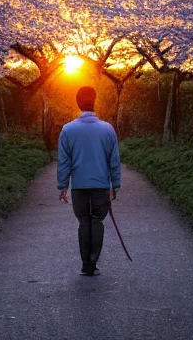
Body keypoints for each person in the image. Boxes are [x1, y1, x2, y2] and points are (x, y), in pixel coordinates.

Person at [57, 86, 121, 276]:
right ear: (94, 102)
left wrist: (63, 186)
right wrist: (115, 185)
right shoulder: (107, 129)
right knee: (97, 222)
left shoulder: (67, 130)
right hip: (101, 186)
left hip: (79, 187)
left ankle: (86, 264)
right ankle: (93, 262)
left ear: (78, 104)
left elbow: (64, 161)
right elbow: (114, 160)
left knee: (84, 222)